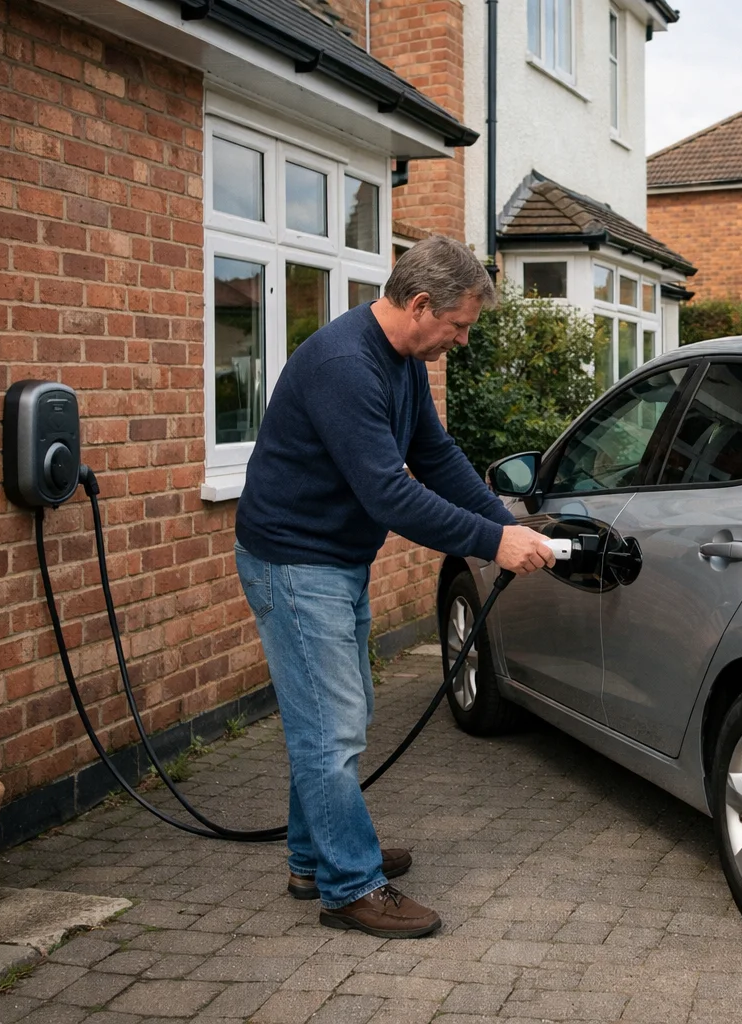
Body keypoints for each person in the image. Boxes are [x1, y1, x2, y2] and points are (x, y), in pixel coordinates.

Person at [233, 235, 556, 939]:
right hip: (293, 563)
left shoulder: (402, 360)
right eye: (460, 325)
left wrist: (499, 518)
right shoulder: (347, 365)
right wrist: (493, 542)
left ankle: (312, 859)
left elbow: (432, 454)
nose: (462, 340)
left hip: (332, 561)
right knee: (332, 726)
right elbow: (387, 493)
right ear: (419, 305)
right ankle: (350, 886)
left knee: (335, 715)